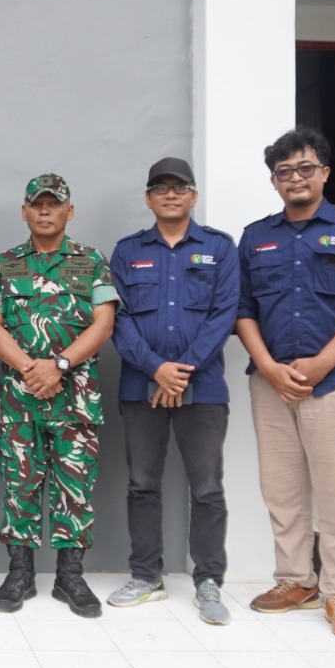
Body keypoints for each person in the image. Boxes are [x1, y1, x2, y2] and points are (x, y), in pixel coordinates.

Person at [236, 127, 335, 642]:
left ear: (324, 172)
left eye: (305, 168)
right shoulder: (256, 237)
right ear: (274, 181)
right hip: (272, 385)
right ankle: (296, 580)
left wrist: (324, 363)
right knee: (281, 490)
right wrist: (267, 366)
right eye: (284, 172)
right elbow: (242, 309)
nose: (295, 178)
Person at [107, 157, 238, 624]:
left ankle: (209, 581)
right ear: (148, 199)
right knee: (142, 484)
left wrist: (180, 372)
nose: (170, 195)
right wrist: (156, 368)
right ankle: (146, 576)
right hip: (141, 387)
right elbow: (117, 318)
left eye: (179, 187)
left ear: (193, 196)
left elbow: (224, 314)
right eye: (160, 188)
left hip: (203, 389)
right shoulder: (127, 251)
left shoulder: (220, 248)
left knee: (207, 488)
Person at [0, 174, 117, 617]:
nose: (45, 210)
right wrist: (31, 369)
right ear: (24, 211)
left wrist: (58, 365)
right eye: (37, 204)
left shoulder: (92, 261)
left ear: (69, 211)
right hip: (21, 397)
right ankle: (20, 573)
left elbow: (103, 323)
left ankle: (69, 577)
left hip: (75, 398)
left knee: (74, 487)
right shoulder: (4, 265)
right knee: (19, 485)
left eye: (54, 203)